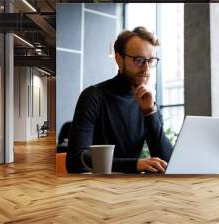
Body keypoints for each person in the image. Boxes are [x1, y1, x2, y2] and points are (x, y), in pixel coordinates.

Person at [66, 26, 173, 174]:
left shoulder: (148, 103)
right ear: (119, 59)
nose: (146, 69)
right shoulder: (93, 96)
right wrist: (134, 165)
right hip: (95, 188)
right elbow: (76, 161)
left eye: (151, 60)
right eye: (139, 60)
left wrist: (150, 112)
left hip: (132, 190)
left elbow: (168, 162)